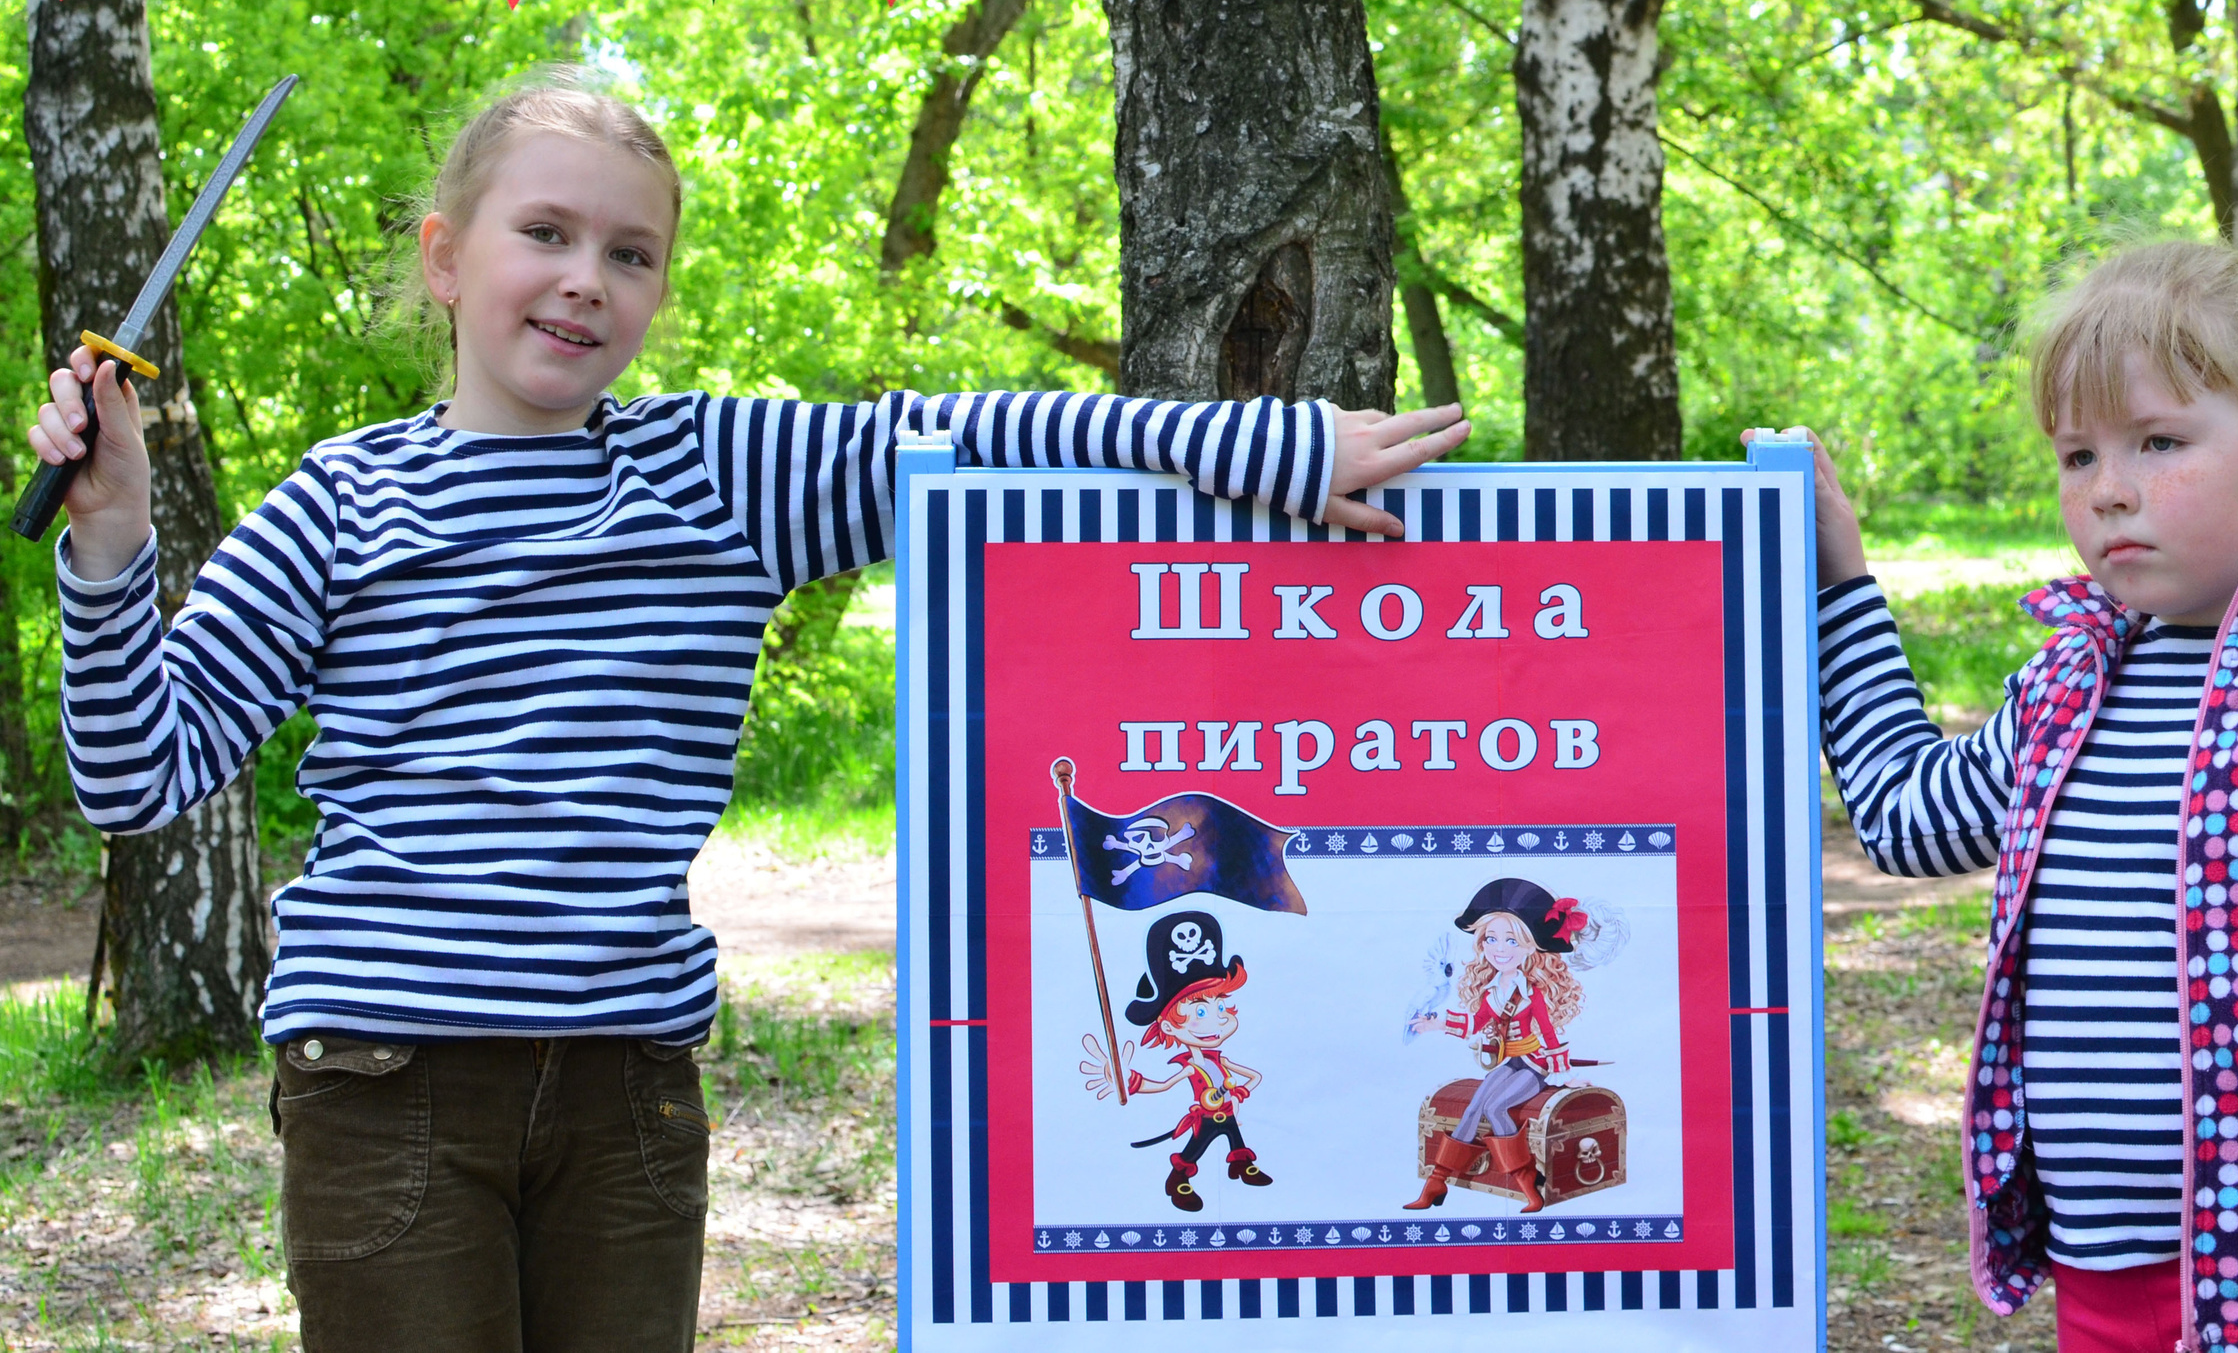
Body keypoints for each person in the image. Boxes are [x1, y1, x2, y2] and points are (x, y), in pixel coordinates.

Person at [26, 72, 1470, 1353]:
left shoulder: (720, 473)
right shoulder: (339, 502)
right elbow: (138, 776)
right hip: (387, 1081)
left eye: (629, 253)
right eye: (546, 233)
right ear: (447, 257)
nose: (586, 278)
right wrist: (111, 536)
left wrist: (1264, 446)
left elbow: (987, 433)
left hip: (628, 1089)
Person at [1769, 240, 2238, 1353]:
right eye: (2077, 454)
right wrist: (1840, 582)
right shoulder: (2070, 682)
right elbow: (1901, 813)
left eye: (2158, 442)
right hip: (2105, 1295)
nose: (2109, 489)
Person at [1403, 876, 1591, 1212]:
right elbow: (1477, 1023)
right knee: (1473, 1106)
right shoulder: (1493, 990)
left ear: (1531, 946)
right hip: (1509, 1063)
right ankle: (1437, 1182)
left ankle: (1527, 1182)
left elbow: (1549, 1036)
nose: (1499, 949)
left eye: (1511, 940)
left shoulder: (1532, 993)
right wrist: (1438, 1024)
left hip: (1534, 1067)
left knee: (1496, 1108)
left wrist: (1565, 1076)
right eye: (1491, 938)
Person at [1083, 909, 1268, 1210]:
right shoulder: (1191, 1067)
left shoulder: (1219, 1060)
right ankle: (1178, 1179)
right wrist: (1128, 1080)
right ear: (1168, 1026)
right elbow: (1164, 1085)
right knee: (1194, 1149)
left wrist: (1238, 1094)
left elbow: (1255, 1077)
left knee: (1236, 1139)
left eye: (1221, 1007)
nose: (1218, 1021)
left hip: (1227, 1113)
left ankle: (1242, 1166)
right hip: (1205, 1118)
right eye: (1200, 1012)